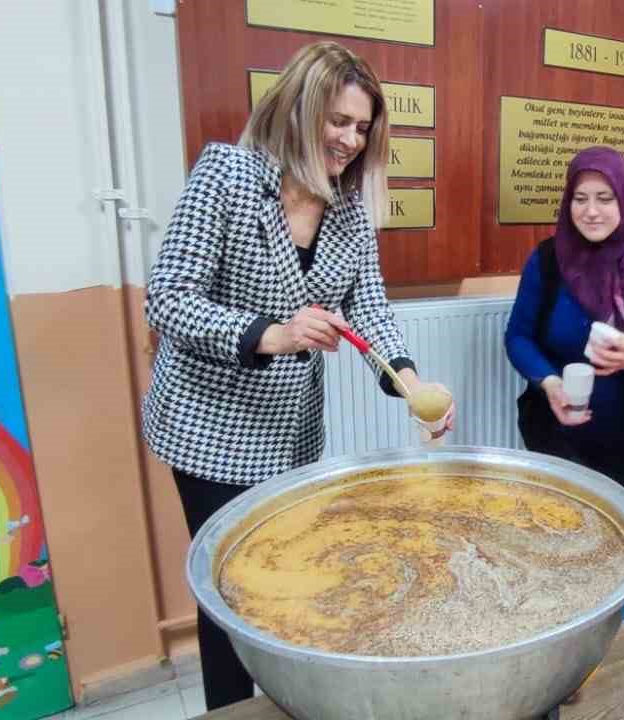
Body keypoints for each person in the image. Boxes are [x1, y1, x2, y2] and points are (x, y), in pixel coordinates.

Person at [141, 41, 455, 711]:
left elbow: (370, 307)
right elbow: (167, 297)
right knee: (230, 589)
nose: (349, 139)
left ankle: (282, 701)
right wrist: (271, 334)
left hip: (288, 433)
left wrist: (407, 381)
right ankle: (230, 707)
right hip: (209, 431)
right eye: (338, 120)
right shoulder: (226, 176)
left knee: (287, 576)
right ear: (300, 109)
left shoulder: (348, 210)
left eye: (363, 127)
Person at [504, 146, 624, 530]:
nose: (591, 211)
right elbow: (518, 337)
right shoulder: (546, 260)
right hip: (556, 427)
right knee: (557, 533)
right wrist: (549, 382)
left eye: (605, 199)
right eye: (580, 198)